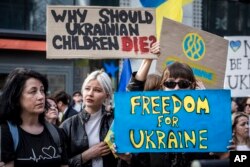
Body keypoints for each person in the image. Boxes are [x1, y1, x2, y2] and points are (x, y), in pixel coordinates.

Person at [127, 43, 218, 167]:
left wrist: (225, 155)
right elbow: (133, 95)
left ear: (192, 86)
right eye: (170, 84)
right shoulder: (151, 116)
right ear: (162, 87)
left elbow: (219, 157)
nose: (176, 88)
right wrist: (148, 59)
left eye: (183, 84)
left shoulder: (206, 119)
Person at [0, 68, 68, 167]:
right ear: (16, 96)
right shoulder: (6, 132)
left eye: (42, 90)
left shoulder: (56, 133)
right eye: (33, 91)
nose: (41, 96)